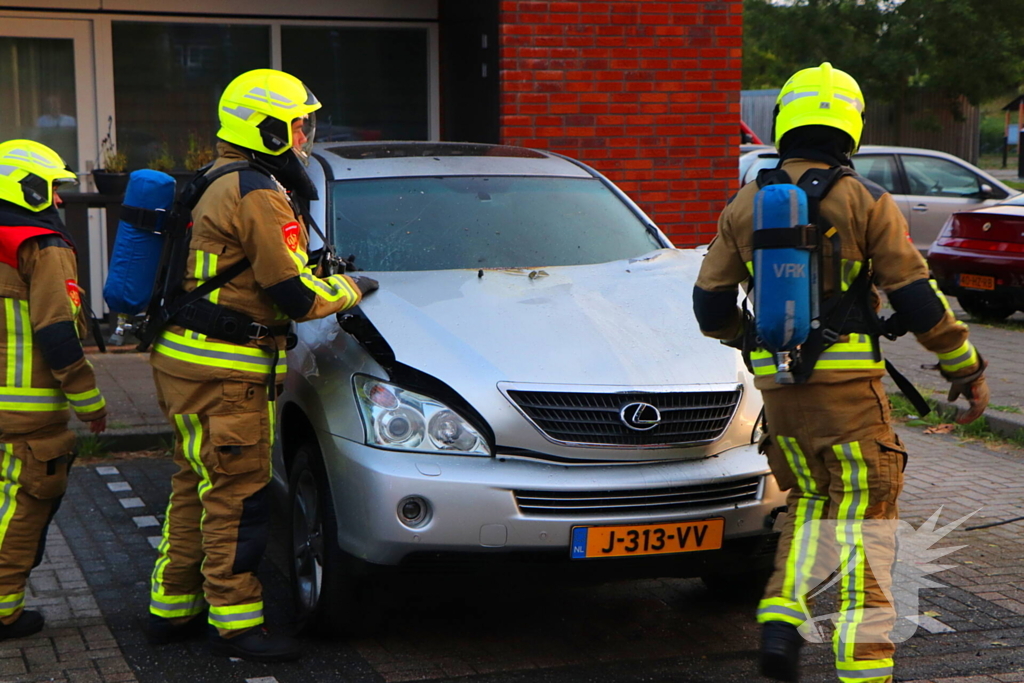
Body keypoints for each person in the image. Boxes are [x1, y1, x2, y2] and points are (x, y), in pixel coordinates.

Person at [692, 63, 989, 683]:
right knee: (866, 528)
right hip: (852, 401)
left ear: (784, 124)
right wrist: (966, 370)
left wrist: (753, 346)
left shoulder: (744, 204)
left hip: (783, 403)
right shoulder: (865, 200)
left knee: (809, 507)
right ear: (850, 127)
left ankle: (778, 620)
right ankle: (866, 672)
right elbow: (916, 299)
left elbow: (709, 306)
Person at [145, 69, 377, 662]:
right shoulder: (258, 191)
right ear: (268, 128)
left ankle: (172, 609)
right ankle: (237, 622)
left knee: (194, 485)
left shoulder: (213, 179)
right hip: (227, 372)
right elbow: (295, 298)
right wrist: (350, 288)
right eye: (299, 126)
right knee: (237, 495)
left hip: (184, 361)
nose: (304, 138)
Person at [0, 139, 107, 640]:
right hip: (26, 412)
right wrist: (90, 403)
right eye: (52, 189)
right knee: (24, 508)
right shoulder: (42, 246)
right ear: (27, 188)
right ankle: (3, 610)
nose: (60, 201)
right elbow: (58, 332)